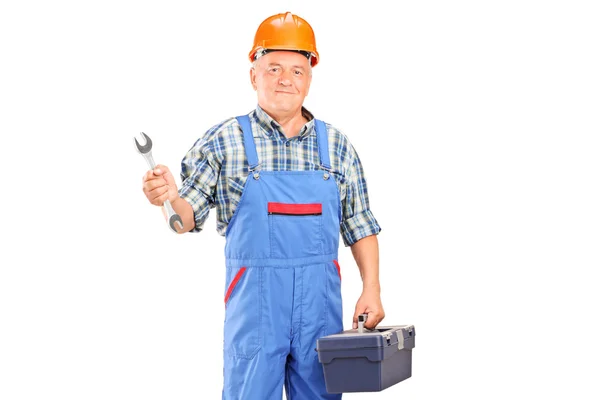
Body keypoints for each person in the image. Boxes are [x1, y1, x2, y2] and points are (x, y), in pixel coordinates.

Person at [142, 11, 385, 400]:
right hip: (256, 309)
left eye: (296, 70)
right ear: (253, 74)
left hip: (319, 309)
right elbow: (185, 218)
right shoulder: (225, 140)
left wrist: (371, 288)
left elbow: (360, 225)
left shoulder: (336, 146)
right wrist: (169, 197)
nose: (285, 79)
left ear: (309, 79)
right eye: (273, 68)